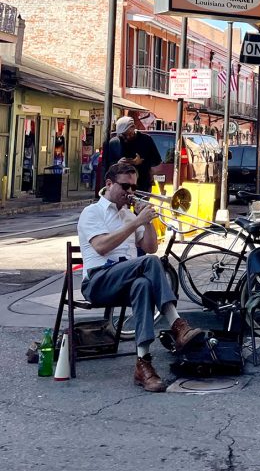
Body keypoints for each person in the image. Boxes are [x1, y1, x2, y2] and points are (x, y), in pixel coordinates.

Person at [77, 163, 205, 392]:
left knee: (143, 284)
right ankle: (176, 323)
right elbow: (101, 246)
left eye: (134, 187)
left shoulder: (128, 214)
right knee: (149, 264)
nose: (130, 192)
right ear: (108, 184)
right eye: (125, 186)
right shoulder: (92, 212)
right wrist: (136, 222)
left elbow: (150, 247)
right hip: (98, 281)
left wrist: (146, 222)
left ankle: (143, 362)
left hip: (125, 281)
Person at [107, 116, 162, 193]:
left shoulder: (146, 140)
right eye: (124, 135)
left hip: (142, 184)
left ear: (134, 127)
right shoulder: (114, 142)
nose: (127, 137)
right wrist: (117, 163)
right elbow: (107, 163)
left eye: (130, 134)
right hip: (121, 186)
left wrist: (141, 162)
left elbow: (156, 161)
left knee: (142, 204)